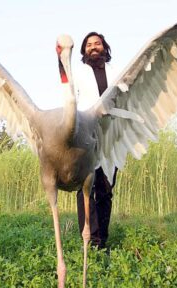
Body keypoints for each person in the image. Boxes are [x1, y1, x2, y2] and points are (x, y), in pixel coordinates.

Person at [73, 32, 119, 250]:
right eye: (89, 44)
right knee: (85, 189)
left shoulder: (116, 72)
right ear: (84, 50)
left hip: (110, 136)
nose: (93, 47)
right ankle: (91, 241)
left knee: (106, 189)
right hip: (86, 136)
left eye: (97, 43)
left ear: (104, 47)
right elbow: (71, 104)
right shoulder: (78, 73)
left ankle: (104, 241)